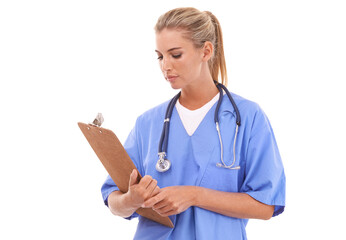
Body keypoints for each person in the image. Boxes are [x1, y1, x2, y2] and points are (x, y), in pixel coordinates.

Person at [101, 7, 285, 240]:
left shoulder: (248, 117)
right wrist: (131, 200)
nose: (165, 66)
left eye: (175, 55)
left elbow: (265, 205)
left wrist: (194, 195)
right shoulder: (148, 123)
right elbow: (114, 200)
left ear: (206, 51)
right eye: (160, 56)